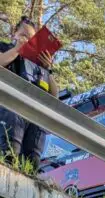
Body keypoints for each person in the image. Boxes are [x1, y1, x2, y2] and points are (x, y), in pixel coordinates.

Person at [0, 16, 57, 170]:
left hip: (32, 119)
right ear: (14, 34)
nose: (26, 40)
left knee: (31, 161)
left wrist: (47, 68)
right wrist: (17, 49)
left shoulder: (38, 66)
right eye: (23, 35)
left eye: (30, 39)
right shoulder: (5, 48)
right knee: (10, 154)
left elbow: (54, 96)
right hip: (8, 112)